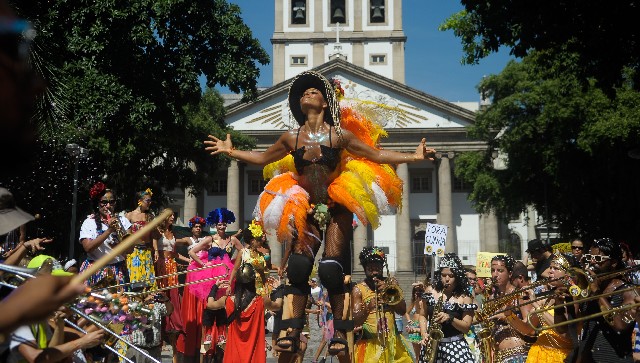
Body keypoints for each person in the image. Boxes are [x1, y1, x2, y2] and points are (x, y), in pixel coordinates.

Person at [204, 70, 435, 362]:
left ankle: (340, 331)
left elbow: (375, 155)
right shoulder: (291, 137)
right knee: (299, 267)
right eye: (302, 93)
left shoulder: (339, 135)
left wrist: (413, 157)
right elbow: (263, 157)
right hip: (308, 206)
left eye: (313, 91)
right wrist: (232, 151)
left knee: (330, 270)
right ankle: (291, 329)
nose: (306, 94)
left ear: (325, 103)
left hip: (337, 203)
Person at [5, 255, 105, 363]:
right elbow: (36, 358)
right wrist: (80, 343)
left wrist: (60, 326)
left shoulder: (37, 313)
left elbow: (50, 353)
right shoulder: (17, 314)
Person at [572, 238, 636, 362]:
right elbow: (576, 322)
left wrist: (597, 293)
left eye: (598, 259)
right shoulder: (590, 288)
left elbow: (620, 326)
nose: (591, 262)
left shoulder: (629, 291)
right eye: (589, 257)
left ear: (613, 262)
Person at [205, 262, 282, 363]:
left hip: (234, 356)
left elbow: (209, 304)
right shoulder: (261, 300)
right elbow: (278, 306)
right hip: (255, 356)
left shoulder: (228, 300)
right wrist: (278, 289)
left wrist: (215, 287)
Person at [352, 246, 413, 363]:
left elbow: (402, 310)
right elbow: (356, 321)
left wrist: (391, 293)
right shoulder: (358, 289)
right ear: (365, 268)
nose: (375, 272)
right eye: (371, 268)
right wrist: (369, 307)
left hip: (393, 343)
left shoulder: (391, 283)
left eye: (378, 268)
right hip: (369, 345)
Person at [418, 253, 475, 363]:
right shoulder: (430, 291)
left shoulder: (465, 297)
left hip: (456, 347)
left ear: (458, 276)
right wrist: (424, 333)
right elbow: (422, 315)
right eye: (443, 275)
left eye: (451, 276)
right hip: (432, 346)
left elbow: (466, 327)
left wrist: (450, 318)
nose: (447, 279)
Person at [524, 252, 576, 363]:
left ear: (568, 274)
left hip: (558, 357)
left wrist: (535, 304)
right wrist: (509, 316)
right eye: (550, 267)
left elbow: (564, 332)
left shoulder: (573, 297)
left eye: (556, 268)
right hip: (538, 355)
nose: (550, 271)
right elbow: (527, 329)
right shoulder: (548, 297)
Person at [482, 255, 534, 363]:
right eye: (493, 270)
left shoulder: (520, 294)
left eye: (500, 270)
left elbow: (530, 329)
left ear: (510, 273)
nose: (495, 274)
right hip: (497, 356)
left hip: (517, 354)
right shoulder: (491, 297)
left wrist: (507, 317)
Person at [154, 210, 190, 363]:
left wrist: (190, 261)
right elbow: (154, 249)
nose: (173, 217)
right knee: (162, 298)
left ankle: (174, 343)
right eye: (170, 215)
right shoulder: (157, 231)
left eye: (174, 215)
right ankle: (160, 341)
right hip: (160, 266)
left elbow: (174, 254)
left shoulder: (172, 232)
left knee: (173, 300)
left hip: (172, 267)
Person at [79, 182, 131, 287]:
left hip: (117, 269)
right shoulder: (89, 222)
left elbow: (130, 250)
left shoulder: (123, 221)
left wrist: (118, 232)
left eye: (112, 202)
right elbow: (88, 248)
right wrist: (109, 231)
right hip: (95, 270)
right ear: (97, 203)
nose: (108, 206)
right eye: (104, 202)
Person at [122, 291, 173, 363]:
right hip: (138, 350)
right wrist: (144, 302)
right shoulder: (131, 306)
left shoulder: (156, 306)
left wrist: (166, 300)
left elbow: (169, 311)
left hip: (155, 350)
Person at [124, 188, 157, 289]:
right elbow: (125, 236)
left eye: (151, 201)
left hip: (146, 251)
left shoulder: (150, 216)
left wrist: (156, 250)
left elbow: (154, 235)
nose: (150, 203)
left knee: (148, 283)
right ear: (140, 201)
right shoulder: (129, 216)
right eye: (148, 200)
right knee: (136, 282)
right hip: (134, 252)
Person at [405, 283, 424, 358]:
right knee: (418, 354)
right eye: (415, 291)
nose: (416, 293)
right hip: (414, 326)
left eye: (419, 291)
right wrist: (409, 321)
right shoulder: (413, 302)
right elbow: (406, 313)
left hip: (423, 326)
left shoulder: (425, 301)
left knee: (425, 352)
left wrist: (422, 286)